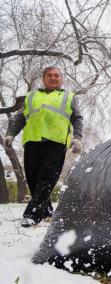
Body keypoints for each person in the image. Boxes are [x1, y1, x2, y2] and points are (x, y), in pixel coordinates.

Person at [4, 66, 83, 227]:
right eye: (49, 75)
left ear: (61, 79)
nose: (53, 78)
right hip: (32, 142)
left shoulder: (69, 96)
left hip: (55, 142)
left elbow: (77, 118)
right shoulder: (31, 96)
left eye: (56, 75)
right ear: (43, 78)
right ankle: (46, 211)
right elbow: (21, 118)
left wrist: (77, 137)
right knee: (33, 180)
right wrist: (11, 133)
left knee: (47, 179)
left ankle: (32, 215)